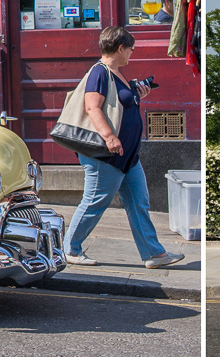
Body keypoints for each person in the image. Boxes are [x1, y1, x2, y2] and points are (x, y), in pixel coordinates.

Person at [63, 27, 185, 269]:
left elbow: (121, 106)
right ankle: (69, 249)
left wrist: (138, 94)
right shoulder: (99, 72)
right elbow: (92, 108)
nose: (131, 53)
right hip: (106, 156)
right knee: (94, 202)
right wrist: (109, 136)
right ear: (120, 48)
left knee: (139, 202)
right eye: (130, 48)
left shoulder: (116, 74)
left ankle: (153, 253)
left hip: (127, 157)